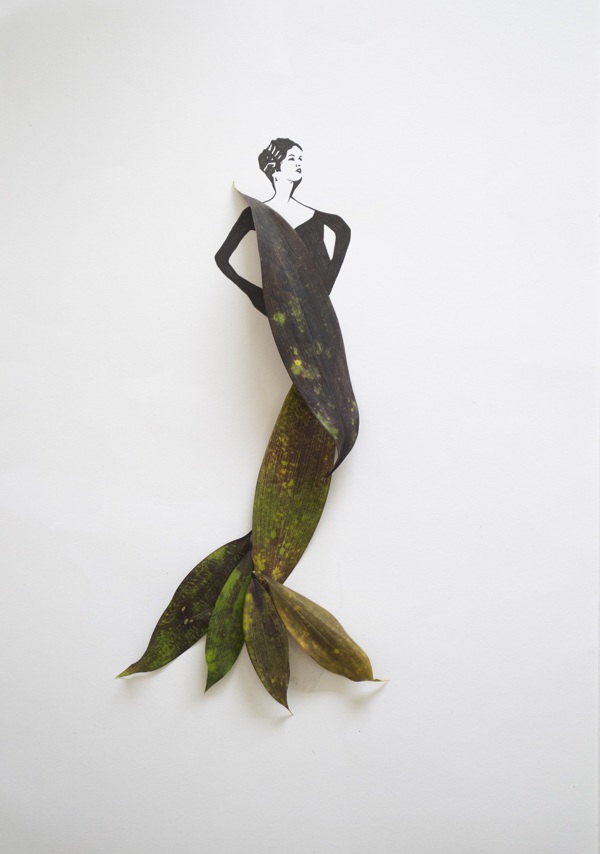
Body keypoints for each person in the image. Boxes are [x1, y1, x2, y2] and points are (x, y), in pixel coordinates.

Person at [215, 138, 351, 316]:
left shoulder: (316, 217)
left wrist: (326, 287)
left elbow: (343, 229)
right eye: (292, 159)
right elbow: (222, 258)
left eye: (300, 159)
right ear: (274, 166)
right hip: (284, 308)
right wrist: (254, 293)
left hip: (316, 311)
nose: (298, 163)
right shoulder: (254, 215)